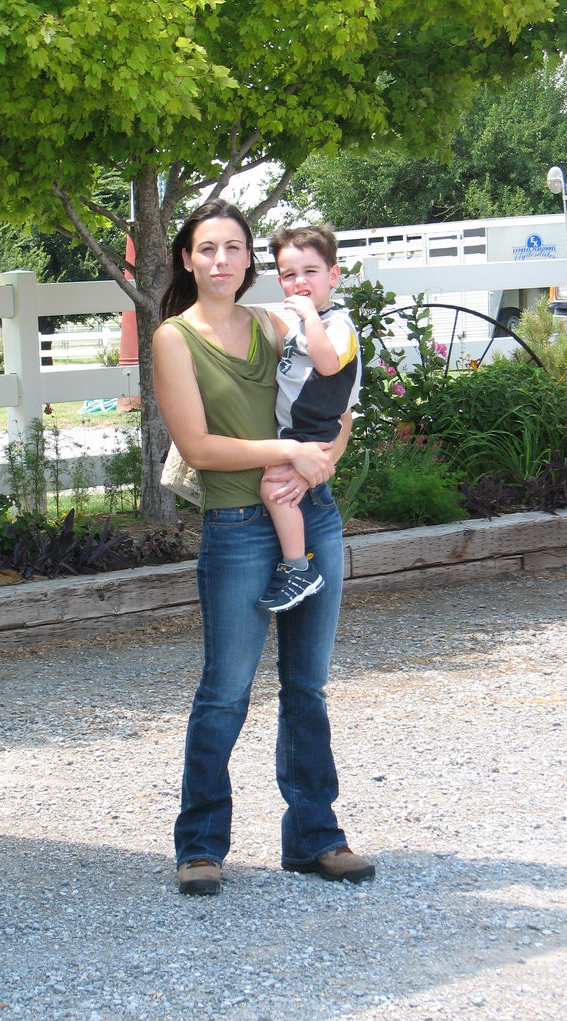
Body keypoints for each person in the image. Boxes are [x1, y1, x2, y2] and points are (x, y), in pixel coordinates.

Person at [152, 198, 374, 897]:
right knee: (226, 692)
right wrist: (287, 450)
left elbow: (337, 396)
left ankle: (315, 837)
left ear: (251, 260)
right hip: (237, 529)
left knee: (306, 687)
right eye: (207, 248)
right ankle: (200, 846)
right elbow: (198, 446)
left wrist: (326, 457)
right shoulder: (173, 338)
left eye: (234, 248)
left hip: (316, 514)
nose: (221, 260)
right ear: (188, 259)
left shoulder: (281, 319)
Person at [256, 225, 361, 613]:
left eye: (311, 272)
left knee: (274, 488)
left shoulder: (338, 325)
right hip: (296, 430)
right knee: (277, 486)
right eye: (288, 275)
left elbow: (328, 363)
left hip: (312, 430)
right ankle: (296, 564)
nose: (300, 282)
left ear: (332, 276)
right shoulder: (300, 323)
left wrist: (308, 318)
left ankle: (297, 567)